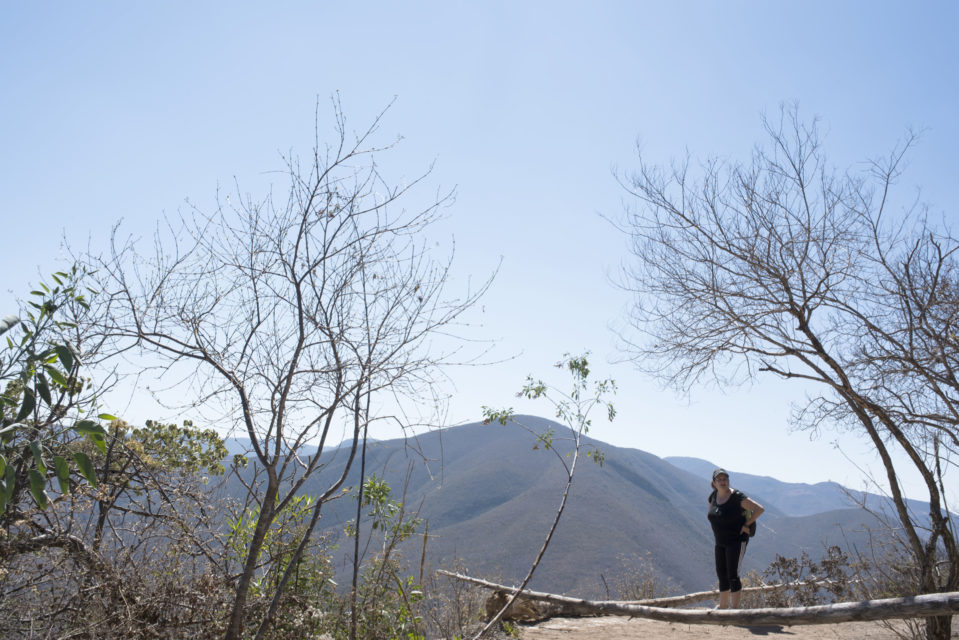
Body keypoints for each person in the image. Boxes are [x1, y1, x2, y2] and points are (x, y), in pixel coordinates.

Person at [707, 467, 764, 609]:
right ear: (714, 482)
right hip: (719, 541)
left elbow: (759, 509)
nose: (722, 482)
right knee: (722, 574)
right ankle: (722, 606)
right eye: (719, 479)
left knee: (733, 574)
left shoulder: (737, 497)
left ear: (728, 481)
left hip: (736, 541)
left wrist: (747, 524)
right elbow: (711, 513)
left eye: (724, 479)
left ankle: (735, 609)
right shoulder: (713, 497)